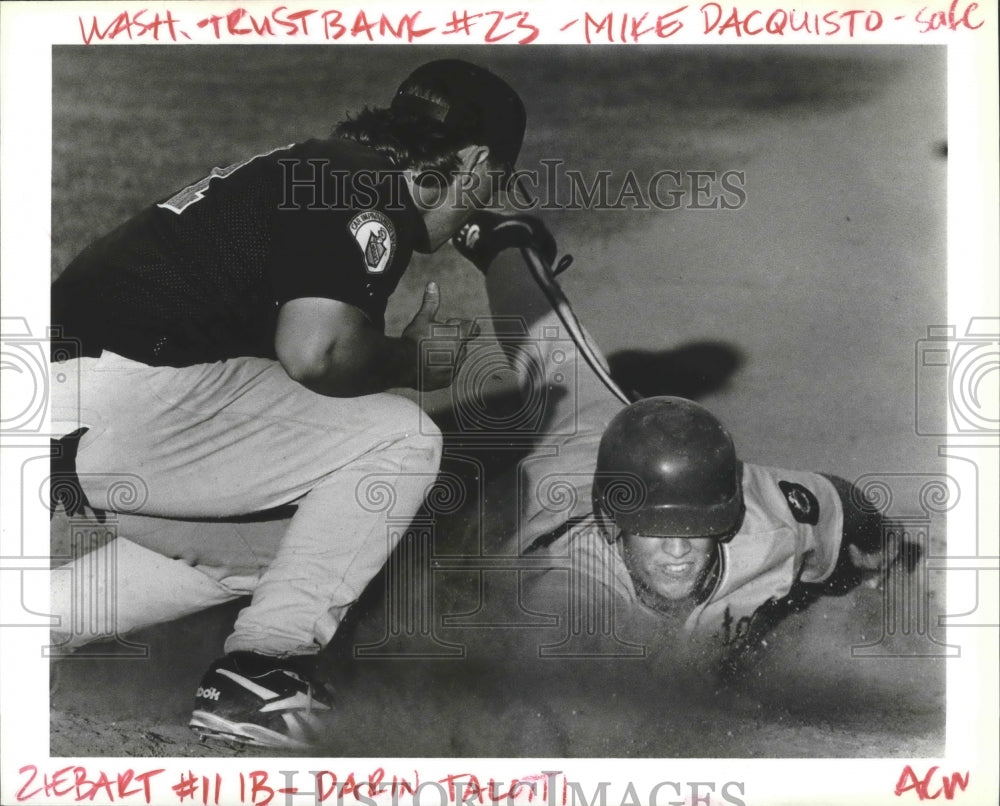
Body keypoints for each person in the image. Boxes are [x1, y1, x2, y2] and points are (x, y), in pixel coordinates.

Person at [48, 59, 526, 749]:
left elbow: (288, 364)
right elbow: (317, 353)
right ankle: (262, 674)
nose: (483, 202)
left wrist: (386, 352)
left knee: (278, 549)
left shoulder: (325, 169)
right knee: (402, 437)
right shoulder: (366, 187)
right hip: (122, 395)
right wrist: (411, 360)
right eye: (495, 184)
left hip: (71, 403)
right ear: (475, 160)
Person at [449, 210, 899, 677]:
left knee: (568, 370)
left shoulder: (767, 520)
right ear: (614, 525)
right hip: (569, 470)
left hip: (638, 465)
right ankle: (505, 248)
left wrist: (890, 552)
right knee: (559, 364)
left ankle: (505, 243)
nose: (678, 551)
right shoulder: (566, 600)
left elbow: (844, 505)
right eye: (657, 530)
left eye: (694, 527)